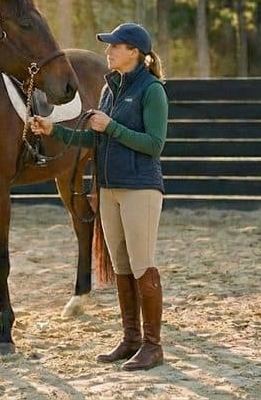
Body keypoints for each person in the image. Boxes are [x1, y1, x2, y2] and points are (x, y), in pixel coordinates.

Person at [30, 22, 168, 371]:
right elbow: (95, 141)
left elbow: (154, 144)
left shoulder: (152, 91)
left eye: (115, 46)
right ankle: (131, 339)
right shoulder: (110, 91)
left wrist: (112, 127)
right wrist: (54, 130)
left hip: (140, 187)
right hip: (108, 188)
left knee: (141, 266)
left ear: (135, 52)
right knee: (121, 266)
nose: (108, 51)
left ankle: (153, 346)